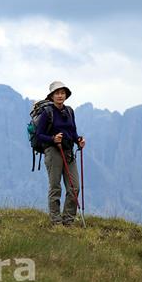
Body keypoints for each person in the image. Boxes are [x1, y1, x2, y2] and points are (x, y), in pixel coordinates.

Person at [35, 81, 86, 226]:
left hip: (68, 151)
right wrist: (52, 138)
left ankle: (68, 220)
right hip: (53, 152)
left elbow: (72, 131)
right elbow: (39, 135)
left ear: (66, 95)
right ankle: (56, 222)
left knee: (74, 187)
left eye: (62, 93)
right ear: (51, 96)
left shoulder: (69, 111)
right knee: (55, 187)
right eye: (57, 93)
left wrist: (78, 140)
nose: (60, 95)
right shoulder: (47, 113)